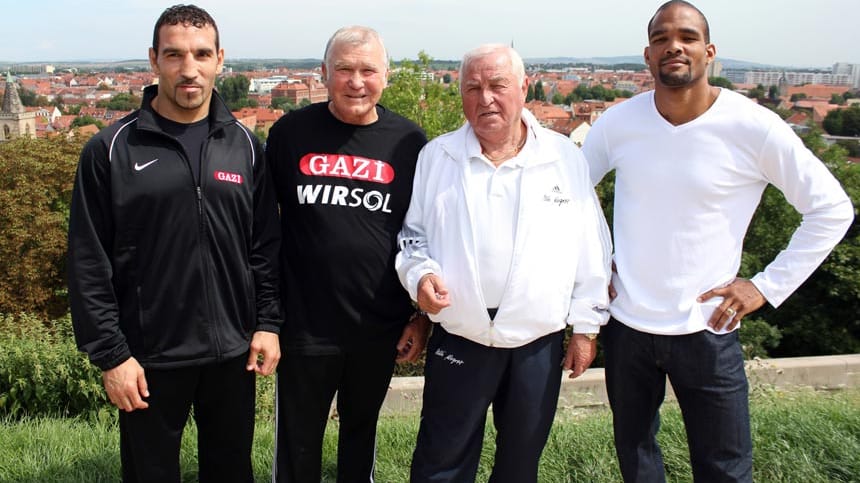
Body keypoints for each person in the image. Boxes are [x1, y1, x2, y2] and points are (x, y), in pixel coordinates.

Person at [582, 2, 855, 482]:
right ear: (648, 56)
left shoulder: (753, 126)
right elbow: (568, 199)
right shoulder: (617, 123)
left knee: (725, 469)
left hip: (708, 329)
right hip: (626, 326)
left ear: (709, 52)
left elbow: (832, 209)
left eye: (687, 37)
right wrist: (594, 265)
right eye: (662, 38)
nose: (675, 46)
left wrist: (766, 287)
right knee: (637, 460)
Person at [67, 5, 282, 482]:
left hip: (232, 350)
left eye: (202, 54)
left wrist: (268, 323)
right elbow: (87, 262)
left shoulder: (245, 145)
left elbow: (264, 245)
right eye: (175, 55)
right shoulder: (111, 149)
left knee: (231, 472)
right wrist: (112, 356)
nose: (190, 69)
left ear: (220, 59)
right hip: (147, 355)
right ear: (154, 59)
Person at [396, 44, 613, 483]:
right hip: (459, 337)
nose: (485, 98)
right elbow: (412, 237)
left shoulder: (563, 156)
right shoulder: (436, 157)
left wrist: (586, 328)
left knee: (519, 464)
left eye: (498, 85)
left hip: (538, 340)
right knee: (441, 463)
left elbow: (592, 247)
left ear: (524, 88)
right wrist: (419, 276)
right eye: (473, 87)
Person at [266, 26, 430, 482]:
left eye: (367, 70)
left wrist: (420, 316)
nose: (356, 81)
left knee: (361, 440)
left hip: (378, 326)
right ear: (324, 74)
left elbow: (424, 234)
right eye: (344, 69)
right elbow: (262, 230)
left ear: (386, 76)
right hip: (303, 325)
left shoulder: (411, 144)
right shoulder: (289, 133)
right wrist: (266, 318)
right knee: (297, 447)